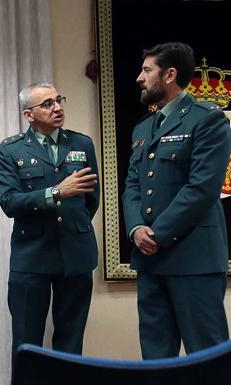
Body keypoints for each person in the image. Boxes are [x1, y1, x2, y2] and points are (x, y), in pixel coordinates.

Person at [123, 42, 231, 359]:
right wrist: (136, 229)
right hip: (151, 262)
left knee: (208, 358)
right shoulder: (144, 127)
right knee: (156, 360)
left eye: (147, 70)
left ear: (170, 74)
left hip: (193, 258)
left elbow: (202, 188)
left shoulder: (207, 119)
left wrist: (157, 234)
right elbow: (133, 185)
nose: (140, 78)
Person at [0, 82, 99, 374]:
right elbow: (9, 202)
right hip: (32, 256)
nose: (57, 107)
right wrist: (55, 193)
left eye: (58, 100)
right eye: (47, 104)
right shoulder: (11, 149)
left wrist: (71, 225)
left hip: (75, 254)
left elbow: (90, 200)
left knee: (70, 346)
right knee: (27, 345)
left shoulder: (82, 144)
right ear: (29, 115)